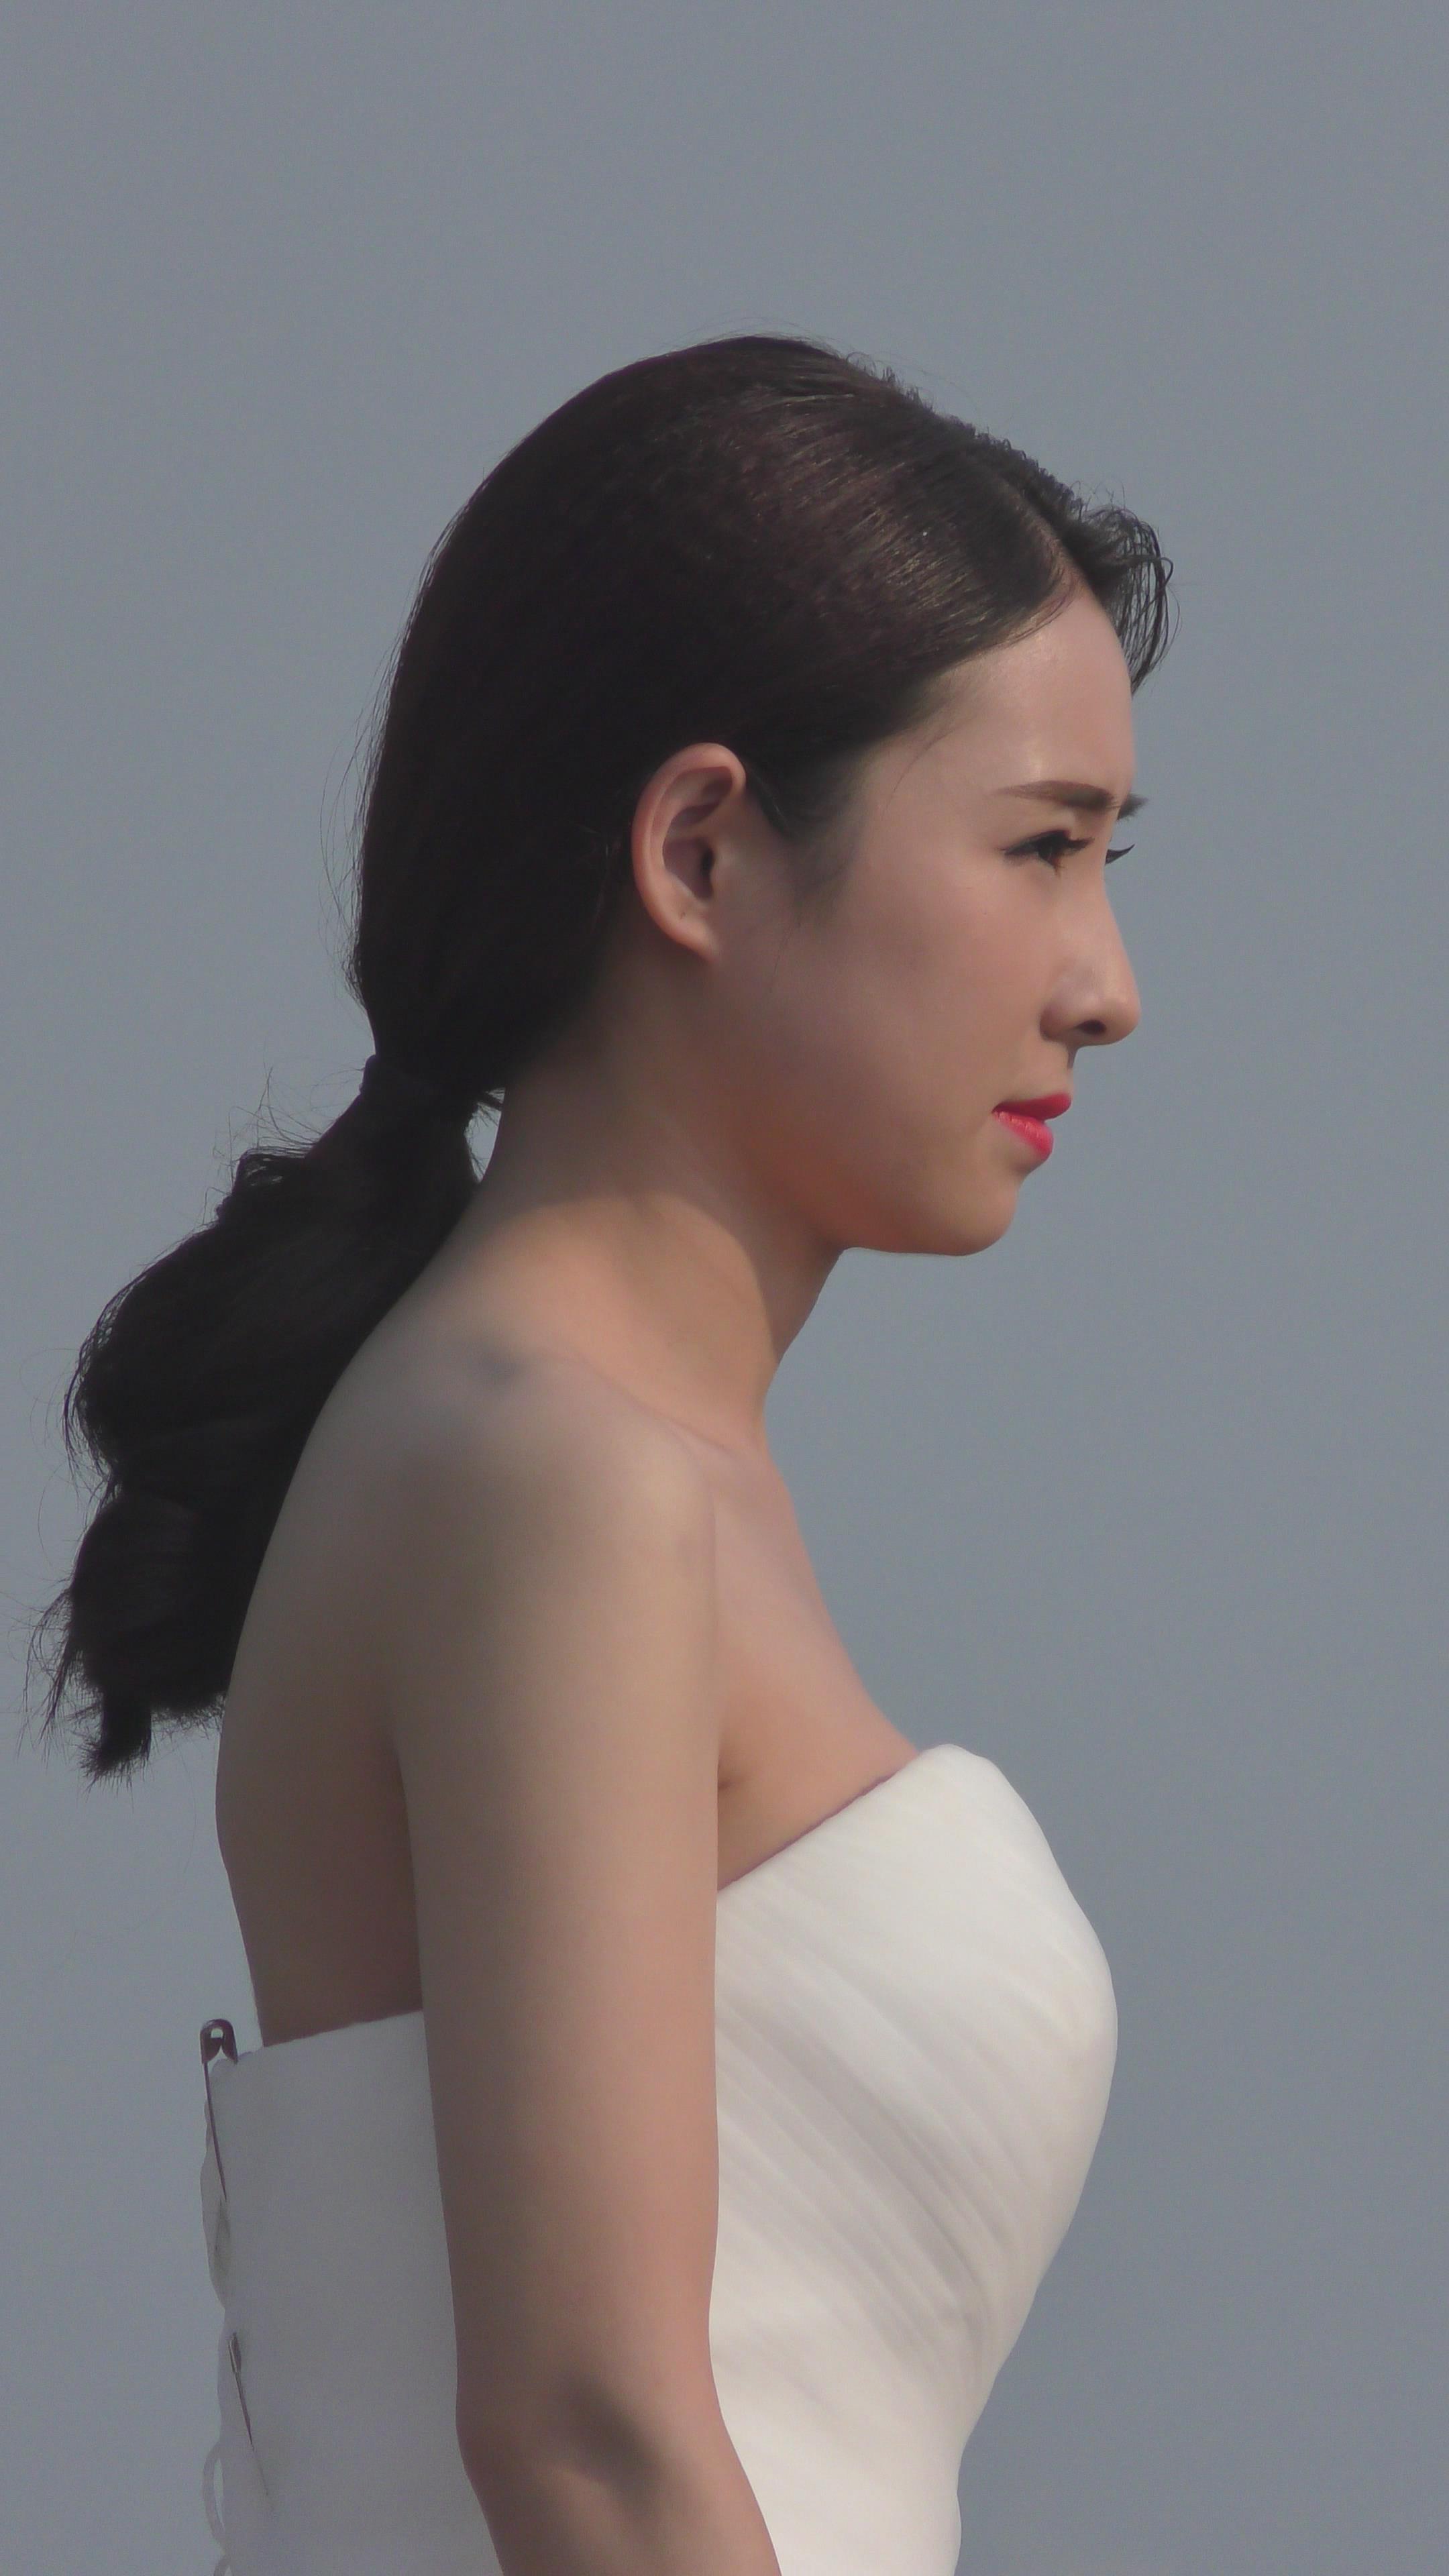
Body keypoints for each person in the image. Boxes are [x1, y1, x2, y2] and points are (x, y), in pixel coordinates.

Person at [30, 329, 1173, 2576]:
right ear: (700, 848)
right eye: (1042, 848)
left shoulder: (578, 1460)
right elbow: (589, 2437)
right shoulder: (559, 1480)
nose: (1105, 981)